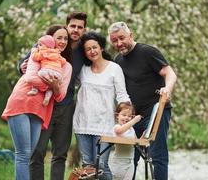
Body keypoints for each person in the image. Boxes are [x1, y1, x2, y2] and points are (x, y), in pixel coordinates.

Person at [18, 12, 87, 180]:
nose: (75, 30)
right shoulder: (46, 44)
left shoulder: (83, 51)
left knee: (60, 154)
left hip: (66, 106)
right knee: (37, 152)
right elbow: (24, 64)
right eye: (73, 26)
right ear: (66, 25)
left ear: (84, 30)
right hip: (43, 105)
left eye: (80, 27)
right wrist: (21, 66)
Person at [1, 25, 72, 180]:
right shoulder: (37, 55)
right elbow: (29, 78)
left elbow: (60, 96)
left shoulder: (66, 66)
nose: (63, 41)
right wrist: (53, 85)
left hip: (40, 110)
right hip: (21, 102)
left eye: (65, 38)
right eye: (59, 37)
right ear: (50, 39)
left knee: (29, 154)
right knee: (23, 154)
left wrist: (54, 87)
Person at [108, 21, 177, 180]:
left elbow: (170, 73)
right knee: (130, 157)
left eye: (122, 38)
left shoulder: (147, 52)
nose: (119, 43)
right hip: (132, 117)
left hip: (155, 113)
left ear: (130, 35)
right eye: (114, 40)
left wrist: (167, 89)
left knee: (157, 155)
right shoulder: (118, 60)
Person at [72, 31, 131, 180]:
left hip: (104, 126)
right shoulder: (83, 70)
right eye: (88, 49)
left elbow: (122, 96)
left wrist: (126, 116)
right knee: (87, 168)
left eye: (94, 47)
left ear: (101, 48)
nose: (92, 51)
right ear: (84, 53)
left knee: (101, 167)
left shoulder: (114, 69)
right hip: (82, 124)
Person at [27, 35, 67, 106]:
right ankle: (47, 97)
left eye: (40, 45)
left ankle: (34, 90)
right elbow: (63, 61)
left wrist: (34, 51)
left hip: (46, 71)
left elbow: (35, 57)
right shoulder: (57, 53)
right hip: (58, 74)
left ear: (46, 46)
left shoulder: (43, 52)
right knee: (51, 87)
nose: (38, 46)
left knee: (38, 75)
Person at [111, 102, 141, 180]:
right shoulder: (117, 127)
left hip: (130, 162)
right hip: (119, 163)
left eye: (129, 116)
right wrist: (134, 121)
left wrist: (144, 136)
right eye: (124, 115)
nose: (127, 118)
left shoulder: (132, 130)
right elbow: (120, 131)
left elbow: (137, 141)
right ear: (117, 116)